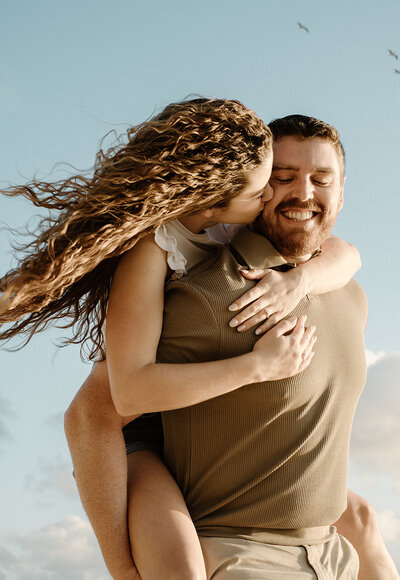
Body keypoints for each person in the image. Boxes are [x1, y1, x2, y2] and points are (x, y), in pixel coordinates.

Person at [0, 97, 356, 578]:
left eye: (318, 179)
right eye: (271, 184)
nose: (272, 199)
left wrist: (300, 281)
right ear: (215, 197)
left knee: (362, 519)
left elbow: (345, 252)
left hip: (191, 419)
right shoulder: (154, 249)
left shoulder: (230, 222)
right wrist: (259, 367)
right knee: (174, 568)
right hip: (134, 433)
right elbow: (121, 395)